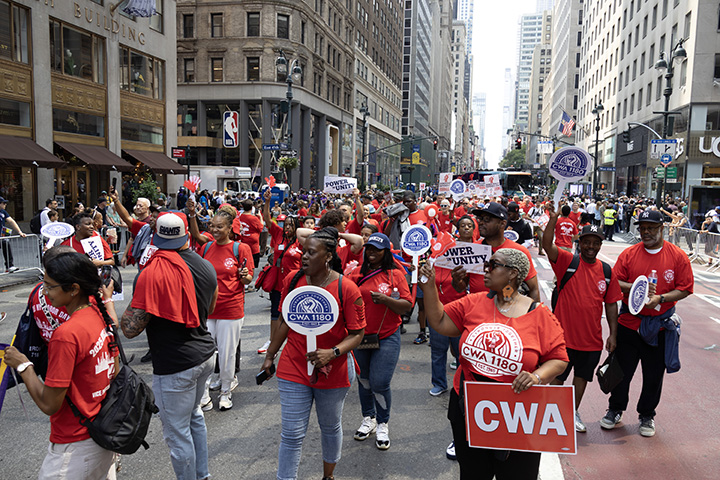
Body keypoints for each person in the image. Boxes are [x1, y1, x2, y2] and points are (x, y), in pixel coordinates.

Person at [418, 248, 568, 479]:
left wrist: (536, 376)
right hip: (469, 408)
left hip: (518, 414)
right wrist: (428, 286)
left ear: (513, 274)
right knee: (473, 474)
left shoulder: (539, 314)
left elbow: (559, 359)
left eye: (492, 265)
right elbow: (439, 321)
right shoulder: (473, 302)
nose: (485, 270)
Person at [259, 227, 366, 480]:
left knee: (330, 427)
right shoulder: (292, 280)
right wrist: (271, 354)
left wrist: (333, 352)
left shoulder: (347, 288)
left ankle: (328, 475)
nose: (303, 257)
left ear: (328, 256)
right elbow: (285, 321)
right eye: (303, 251)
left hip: (334, 370)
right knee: (291, 434)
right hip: (294, 366)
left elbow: (358, 334)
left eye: (311, 252)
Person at [3, 251, 119, 479]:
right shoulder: (99, 315)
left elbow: (49, 404)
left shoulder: (66, 335)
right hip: (102, 432)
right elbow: (114, 370)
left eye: (50, 286)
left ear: (74, 289)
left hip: (75, 443)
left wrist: (24, 365)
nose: (44, 293)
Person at [121, 212, 218, 480]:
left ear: (156, 237)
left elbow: (130, 329)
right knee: (194, 417)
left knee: (177, 433)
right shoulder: (206, 266)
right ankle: (202, 475)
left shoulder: (151, 274)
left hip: (176, 365)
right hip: (205, 355)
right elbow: (210, 308)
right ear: (186, 235)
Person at [600, 209, 694, 437]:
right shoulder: (629, 254)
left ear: (662, 229)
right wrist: (636, 289)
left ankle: (647, 415)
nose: (646, 232)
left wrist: (661, 299)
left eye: (651, 228)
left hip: (659, 327)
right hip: (629, 324)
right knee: (622, 372)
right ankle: (615, 409)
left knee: (653, 376)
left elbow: (685, 288)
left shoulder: (677, 256)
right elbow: (615, 282)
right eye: (642, 228)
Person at [544, 213, 622, 433]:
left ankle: (572, 412)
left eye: (595, 243)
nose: (591, 247)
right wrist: (553, 219)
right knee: (557, 377)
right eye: (587, 242)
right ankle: (551, 414)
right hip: (562, 338)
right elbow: (547, 244)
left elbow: (611, 304)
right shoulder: (567, 262)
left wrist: (613, 334)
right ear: (580, 243)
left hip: (591, 340)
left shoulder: (606, 271)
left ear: (600, 245)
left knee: (581, 379)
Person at [187, 201, 254, 411]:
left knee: (226, 354)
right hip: (207, 310)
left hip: (231, 310)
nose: (215, 230)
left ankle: (226, 390)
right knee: (206, 354)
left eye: (220, 227)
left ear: (230, 228)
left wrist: (244, 276)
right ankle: (204, 392)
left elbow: (248, 279)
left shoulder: (241, 248)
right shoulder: (206, 247)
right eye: (212, 226)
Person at [348, 233, 411, 450]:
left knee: (380, 382)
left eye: (377, 249)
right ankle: (369, 418)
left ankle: (383, 422)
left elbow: (406, 305)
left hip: (387, 336)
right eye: (369, 248)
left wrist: (385, 300)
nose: (372, 252)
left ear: (386, 252)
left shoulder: (396, 275)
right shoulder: (356, 272)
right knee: (364, 379)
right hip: (360, 336)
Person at [452, 203, 541, 302]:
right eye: (480, 219)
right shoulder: (472, 249)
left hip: (508, 309)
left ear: (502, 224)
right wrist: (456, 280)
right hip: (477, 309)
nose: (481, 223)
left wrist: (533, 311)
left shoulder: (519, 251)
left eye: (487, 219)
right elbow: (461, 288)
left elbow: (534, 289)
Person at [259, 188, 303, 354]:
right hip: (278, 282)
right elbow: (267, 219)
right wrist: (267, 202)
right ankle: (272, 342)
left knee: (293, 312)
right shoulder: (278, 234)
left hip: (295, 283)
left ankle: (294, 342)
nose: (287, 228)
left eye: (291, 225)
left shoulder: (301, 241)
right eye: (286, 225)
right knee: (275, 312)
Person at [0, 196, 26, 272]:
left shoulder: (3, 212)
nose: (5, 205)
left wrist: (20, 232)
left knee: (6, 247)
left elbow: (11, 221)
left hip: (2, 236)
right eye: (3, 203)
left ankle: (9, 266)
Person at [238, 199, 264, 268]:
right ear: (252, 207)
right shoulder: (254, 218)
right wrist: (260, 217)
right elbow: (260, 228)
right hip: (253, 246)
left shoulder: (239, 217)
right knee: (252, 267)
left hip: (243, 242)